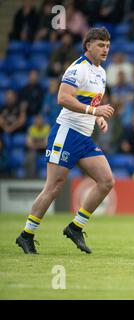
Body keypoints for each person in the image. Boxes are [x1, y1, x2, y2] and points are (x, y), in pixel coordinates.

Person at [15, 27, 115, 254]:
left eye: (107, 46)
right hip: (66, 132)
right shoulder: (77, 69)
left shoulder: (101, 72)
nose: (105, 50)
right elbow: (63, 98)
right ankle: (26, 235)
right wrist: (93, 110)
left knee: (107, 181)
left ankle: (75, 227)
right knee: (53, 188)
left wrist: (98, 116)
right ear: (88, 45)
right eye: (101, 45)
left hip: (84, 137)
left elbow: (91, 101)